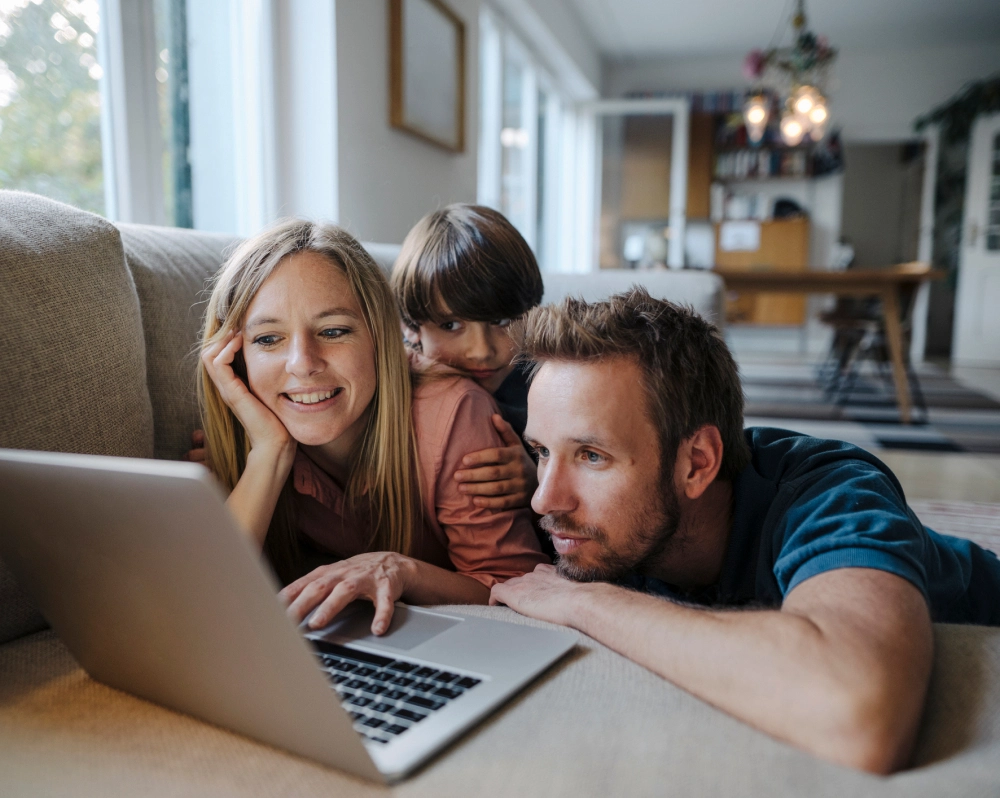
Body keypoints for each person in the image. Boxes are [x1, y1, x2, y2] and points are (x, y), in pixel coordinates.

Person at [489, 288, 1000, 775]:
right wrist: (410, 572)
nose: (544, 500)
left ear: (697, 463)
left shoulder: (829, 491)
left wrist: (585, 602)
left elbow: (856, 712)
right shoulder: (605, 527)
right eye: (542, 452)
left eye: (591, 456)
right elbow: (516, 584)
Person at [199, 219, 548, 635]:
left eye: (333, 331)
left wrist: (402, 570)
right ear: (235, 357)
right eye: (268, 339)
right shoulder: (248, 424)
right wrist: (269, 455)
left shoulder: (459, 411)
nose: (303, 364)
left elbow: (518, 593)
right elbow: (202, 609)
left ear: (382, 337)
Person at [392, 203, 543, 516]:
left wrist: (539, 484)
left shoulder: (550, 389)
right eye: (451, 325)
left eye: (501, 321)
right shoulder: (392, 394)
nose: (480, 350)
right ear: (411, 326)